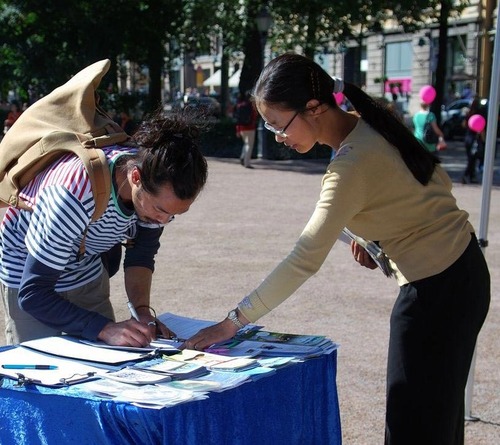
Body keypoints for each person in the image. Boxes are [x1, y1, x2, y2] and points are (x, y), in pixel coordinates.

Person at [184, 53, 490, 445]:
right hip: (461, 274)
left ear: (313, 107)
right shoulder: (372, 125)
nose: (276, 136)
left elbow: (304, 258)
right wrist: (375, 238)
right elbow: (434, 185)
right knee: (438, 419)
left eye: (278, 124)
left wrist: (232, 322)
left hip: (436, 291)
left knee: (414, 426)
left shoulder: (351, 164)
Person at [0, 109, 208, 347]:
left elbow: (141, 254)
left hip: (84, 270)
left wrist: (142, 312)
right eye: (160, 210)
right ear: (136, 177)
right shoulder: (73, 195)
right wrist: (103, 328)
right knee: (42, 364)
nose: (162, 221)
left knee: (108, 360)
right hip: (28, 277)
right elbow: (33, 294)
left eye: (173, 215)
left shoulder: (153, 186)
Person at [461, 96, 485, 184]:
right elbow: (481, 129)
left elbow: (463, 125)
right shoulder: (479, 114)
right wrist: (483, 140)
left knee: (471, 158)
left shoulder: (469, 114)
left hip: (468, 138)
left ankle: (472, 176)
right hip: (475, 139)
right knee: (472, 159)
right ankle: (466, 175)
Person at [234, 92, 258, 168]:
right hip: (250, 127)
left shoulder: (240, 105)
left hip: (241, 128)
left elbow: (237, 118)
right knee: (249, 145)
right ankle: (247, 163)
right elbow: (255, 116)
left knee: (246, 143)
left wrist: (238, 129)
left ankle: (243, 157)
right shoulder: (252, 106)